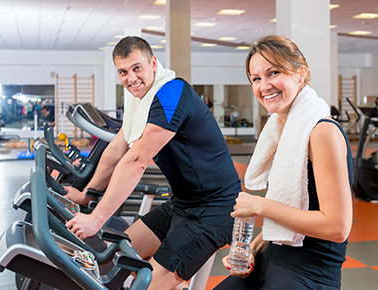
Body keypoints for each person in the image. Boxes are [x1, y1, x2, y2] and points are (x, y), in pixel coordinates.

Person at [64, 36, 241, 290]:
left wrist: (96, 219)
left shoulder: (171, 91)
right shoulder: (139, 100)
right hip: (182, 204)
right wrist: (86, 194)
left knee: (145, 286)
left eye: (137, 68)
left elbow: (136, 160)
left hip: (214, 211)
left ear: (153, 63)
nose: (131, 78)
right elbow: (116, 150)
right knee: (110, 261)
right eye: (123, 72)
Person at [214, 35, 353, 290]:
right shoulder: (284, 130)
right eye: (256, 78)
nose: (264, 85)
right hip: (271, 258)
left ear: (301, 74)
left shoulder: (320, 132)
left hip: (308, 271)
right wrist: (252, 250)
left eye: (273, 72)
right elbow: (288, 213)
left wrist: (261, 206)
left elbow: (338, 227)